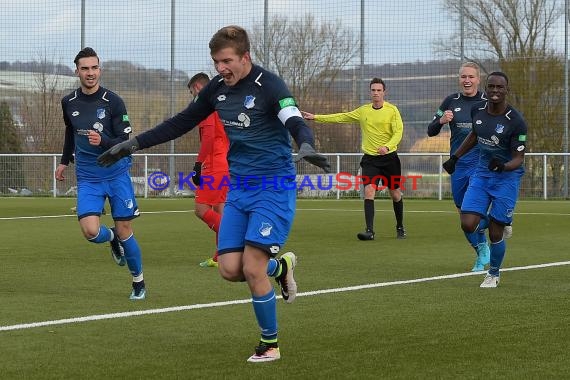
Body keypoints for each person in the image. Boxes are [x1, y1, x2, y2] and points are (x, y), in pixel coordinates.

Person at [98, 25, 330, 362]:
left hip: (273, 187)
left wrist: (305, 143)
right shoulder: (217, 89)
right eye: (216, 62)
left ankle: (270, 344)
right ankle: (280, 269)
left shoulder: (270, 86)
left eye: (226, 61)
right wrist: (133, 144)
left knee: (251, 267)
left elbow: (293, 118)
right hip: (239, 188)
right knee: (229, 268)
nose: (220, 68)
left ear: (245, 57)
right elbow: (181, 122)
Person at [55, 47, 146, 300]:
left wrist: (103, 141)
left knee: (126, 228)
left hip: (116, 174)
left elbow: (125, 139)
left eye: (94, 68)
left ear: (100, 69)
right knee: (90, 231)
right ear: (77, 72)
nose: (90, 73)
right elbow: (69, 133)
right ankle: (111, 237)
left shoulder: (113, 101)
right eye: (85, 68)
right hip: (88, 176)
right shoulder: (68, 102)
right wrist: (64, 161)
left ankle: (138, 282)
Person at [442, 72, 527, 288]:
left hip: (506, 177)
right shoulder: (477, 110)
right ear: (486, 89)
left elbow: (518, 158)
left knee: (495, 232)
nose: (495, 91)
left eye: (500, 87)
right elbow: (474, 135)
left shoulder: (516, 121)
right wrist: (455, 158)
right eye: (492, 87)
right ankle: (500, 218)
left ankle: (493, 273)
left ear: (507, 89)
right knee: (467, 223)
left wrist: (504, 166)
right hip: (482, 173)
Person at [302, 78, 406, 240]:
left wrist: (387, 146)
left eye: (379, 90)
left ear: (384, 92)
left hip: (389, 158)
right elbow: (342, 117)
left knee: (395, 194)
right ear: (370, 92)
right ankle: (369, 231)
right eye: (373, 90)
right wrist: (316, 117)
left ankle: (400, 227)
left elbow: (398, 132)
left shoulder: (392, 110)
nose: (376, 93)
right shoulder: (363, 111)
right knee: (369, 191)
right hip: (370, 160)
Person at [427, 62, 490, 272]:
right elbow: (430, 130)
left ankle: (498, 221)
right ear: (459, 79)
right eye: (463, 76)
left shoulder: (487, 101)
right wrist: (442, 120)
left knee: (474, 209)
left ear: (478, 79)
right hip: (458, 164)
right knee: (463, 215)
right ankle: (481, 250)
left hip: (481, 163)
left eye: (471, 77)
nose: (467, 80)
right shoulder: (450, 101)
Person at [187, 72, 230, 268]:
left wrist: (198, 164)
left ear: (197, 87)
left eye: (191, 92)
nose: (192, 97)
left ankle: (235, 236)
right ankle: (219, 257)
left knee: (201, 209)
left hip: (214, 166)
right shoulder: (221, 104)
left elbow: (209, 137)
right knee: (219, 209)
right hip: (224, 163)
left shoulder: (208, 108)